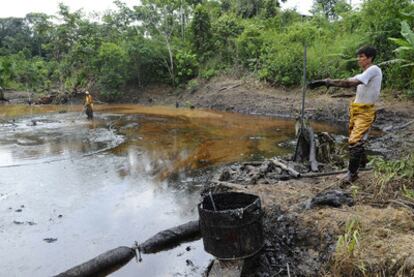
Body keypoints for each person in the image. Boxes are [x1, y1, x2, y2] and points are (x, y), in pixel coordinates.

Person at [309, 46, 382, 183]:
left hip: (365, 112)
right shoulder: (364, 73)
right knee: (357, 138)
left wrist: (327, 82)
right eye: (359, 56)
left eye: (362, 56)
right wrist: (326, 82)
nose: (359, 59)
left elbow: (349, 84)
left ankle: (352, 174)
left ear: (370, 58)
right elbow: (346, 81)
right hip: (356, 110)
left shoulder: (374, 69)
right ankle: (362, 163)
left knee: (354, 140)